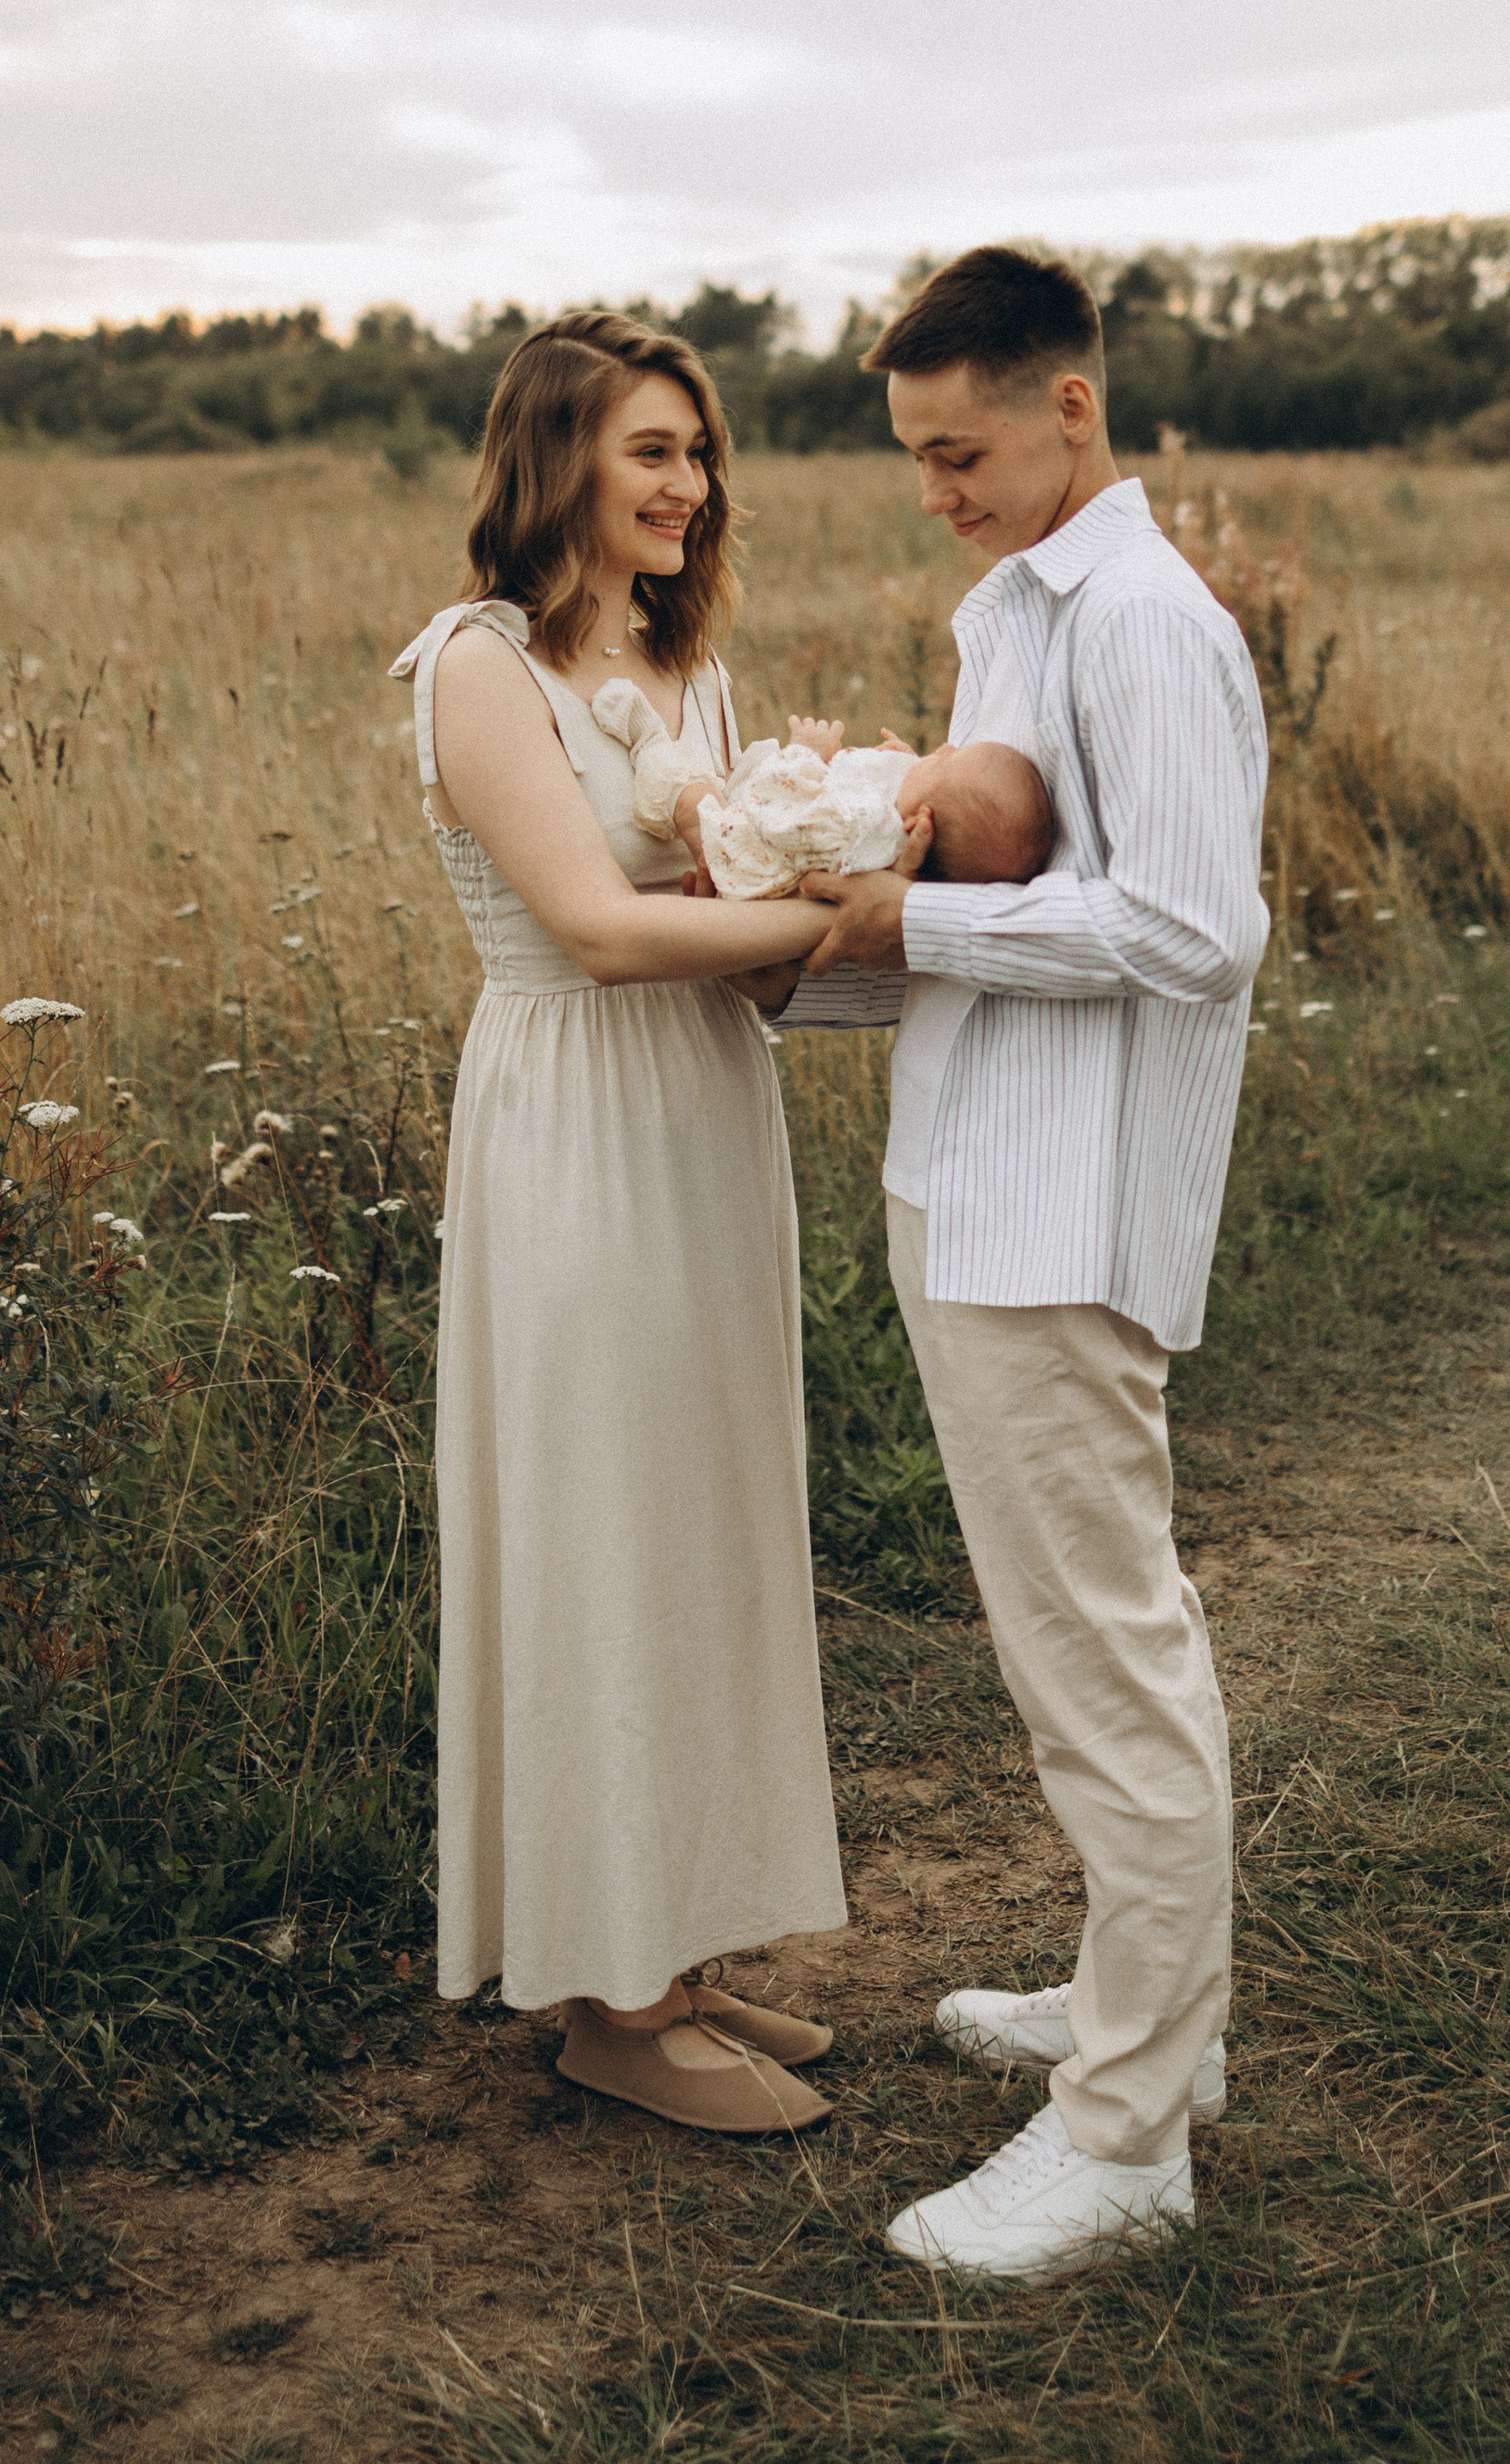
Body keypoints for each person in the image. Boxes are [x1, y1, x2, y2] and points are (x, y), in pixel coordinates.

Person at [797, 244, 1272, 2279]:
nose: (936, 491)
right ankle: (1133, 2016)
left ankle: (1129, 2137)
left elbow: (1188, 931)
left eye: (958, 448)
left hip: (1060, 1211)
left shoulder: (1144, 624)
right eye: (912, 458)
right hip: (976, 1176)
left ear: (1067, 406)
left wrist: (910, 931)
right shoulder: (1015, 616)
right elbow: (1025, 880)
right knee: (1064, 1647)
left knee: (1105, 1661)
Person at [389, 311, 857, 2136]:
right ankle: (605, 2004)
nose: (690, 484)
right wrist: (839, 905)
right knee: (597, 1525)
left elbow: (727, 950)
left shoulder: (693, 673)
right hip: (573, 1125)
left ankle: (668, 1947)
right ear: (557, 457)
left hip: (701, 1119)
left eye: (699, 452)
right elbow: (592, 928)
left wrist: (819, 904)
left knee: (696, 1521)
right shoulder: (474, 666)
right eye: (653, 450)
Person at [589, 684, 1056, 897]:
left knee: (696, 803)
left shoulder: (863, 825)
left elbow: (782, 812)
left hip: (748, 850)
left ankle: (645, 739)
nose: (946, 747)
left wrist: (806, 754)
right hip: (774, 826)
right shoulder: (891, 821)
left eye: (945, 762)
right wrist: (903, 765)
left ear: (918, 823)